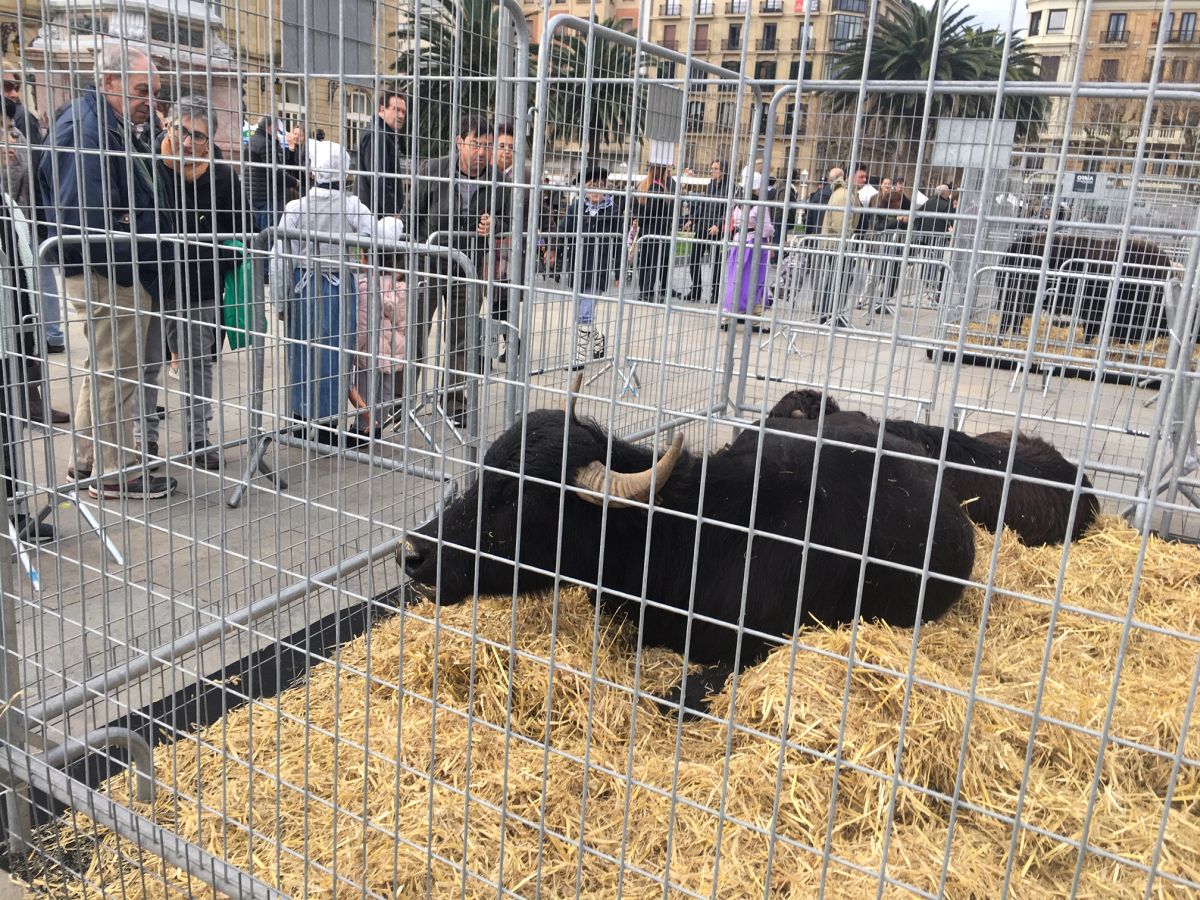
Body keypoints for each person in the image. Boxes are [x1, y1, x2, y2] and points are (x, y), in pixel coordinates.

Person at [39, 43, 177, 499]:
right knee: (116, 373)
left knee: (104, 368)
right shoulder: (87, 129)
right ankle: (114, 472)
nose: (150, 101)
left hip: (116, 267)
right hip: (111, 270)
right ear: (110, 81)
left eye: (154, 91)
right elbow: (88, 217)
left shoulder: (106, 124)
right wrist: (129, 260)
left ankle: (86, 461)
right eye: (142, 89)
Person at [157, 94, 244, 470]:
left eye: (199, 136)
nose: (189, 142)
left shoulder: (221, 175)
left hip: (199, 285)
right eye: (182, 131)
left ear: (211, 141)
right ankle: (144, 443)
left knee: (197, 364)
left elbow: (242, 230)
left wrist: (214, 258)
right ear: (168, 126)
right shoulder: (151, 165)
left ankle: (197, 440)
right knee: (146, 364)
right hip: (152, 282)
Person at [273, 142, 378, 446]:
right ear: (345, 173)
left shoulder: (296, 208)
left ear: (312, 171)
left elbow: (280, 257)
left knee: (301, 353)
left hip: (303, 289)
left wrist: (280, 301)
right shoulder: (352, 206)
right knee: (335, 355)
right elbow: (375, 236)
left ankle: (299, 420)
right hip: (338, 289)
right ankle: (328, 427)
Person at [410, 114, 510, 424]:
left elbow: (510, 219)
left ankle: (453, 400)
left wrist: (495, 224)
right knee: (414, 331)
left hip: (468, 268)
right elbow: (412, 215)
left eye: (488, 145)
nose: (482, 152)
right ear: (459, 142)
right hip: (429, 264)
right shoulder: (433, 170)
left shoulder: (499, 181)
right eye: (476, 144)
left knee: (461, 337)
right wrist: (409, 256)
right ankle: (399, 399)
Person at [551, 165, 624, 366]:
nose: (596, 190)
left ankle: (579, 358)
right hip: (578, 267)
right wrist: (553, 250)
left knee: (584, 314)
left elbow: (619, 242)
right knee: (581, 314)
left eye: (600, 185)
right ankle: (598, 339)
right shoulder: (576, 207)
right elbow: (563, 231)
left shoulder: (613, 210)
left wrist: (619, 271)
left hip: (599, 269)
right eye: (592, 185)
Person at [353, 216, 406, 434]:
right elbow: (402, 323)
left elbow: (363, 325)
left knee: (365, 392)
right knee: (385, 393)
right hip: (392, 352)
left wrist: (354, 349)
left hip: (369, 353)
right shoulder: (400, 287)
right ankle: (379, 426)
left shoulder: (366, 287)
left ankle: (363, 428)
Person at [815, 164, 868, 327]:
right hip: (838, 245)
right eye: (861, 177)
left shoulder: (849, 193)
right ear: (850, 177)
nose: (864, 180)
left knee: (840, 279)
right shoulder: (845, 195)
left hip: (841, 244)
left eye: (865, 177)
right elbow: (840, 225)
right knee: (838, 280)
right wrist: (849, 240)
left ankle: (832, 314)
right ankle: (829, 315)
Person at [722, 171, 774, 327]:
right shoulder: (760, 206)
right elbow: (766, 229)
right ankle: (754, 316)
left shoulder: (738, 203)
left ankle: (728, 313)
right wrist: (771, 232)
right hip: (755, 245)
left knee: (735, 278)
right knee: (756, 279)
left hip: (738, 242)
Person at [247, 115, 304, 238]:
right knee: (270, 236)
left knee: (258, 235)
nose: (278, 131)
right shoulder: (267, 144)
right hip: (268, 196)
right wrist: (295, 183)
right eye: (277, 128)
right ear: (271, 127)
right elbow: (276, 172)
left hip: (254, 195)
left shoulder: (252, 141)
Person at [354, 90, 408, 218]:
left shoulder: (383, 134)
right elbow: (379, 178)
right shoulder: (377, 134)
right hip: (375, 216)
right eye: (396, 109)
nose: (401, 116)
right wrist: (393, 213)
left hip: (374, 213)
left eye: (403, 112)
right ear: (382, 109)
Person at [686, 158, 729, 303]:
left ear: (723, 171)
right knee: (693, 258)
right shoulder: (710, 185)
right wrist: (692, 219)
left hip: (715, 230)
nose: (712, 171)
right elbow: (703, 205)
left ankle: (715, 294)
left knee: (716, 262)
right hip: (702, 227)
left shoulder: (729, 187)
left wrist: (718, 225)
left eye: (716, 169)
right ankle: (696, 289)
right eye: (712, 168)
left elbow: (728, 210)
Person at [633, 163, 674, 302]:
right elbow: (652, 211)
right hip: (655, 229)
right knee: (654, 262)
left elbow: (639, 208)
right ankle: (647, 292)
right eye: (666, 171)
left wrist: (639, 220)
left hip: (646, 229)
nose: (668, 173)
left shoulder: (644, 185)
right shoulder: (657, 188)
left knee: (645, 261)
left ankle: (644, 291)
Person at [915, 183, 954, 302]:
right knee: (936, 259)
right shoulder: (946, 204)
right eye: (948, 191)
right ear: (944, 193)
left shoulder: (929, 201)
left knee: (927, 258)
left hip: (926, 235)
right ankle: (932, 282)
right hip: (938, 236)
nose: (950, 193)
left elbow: (918, 214)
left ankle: (926, 279)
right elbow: (950, 219)